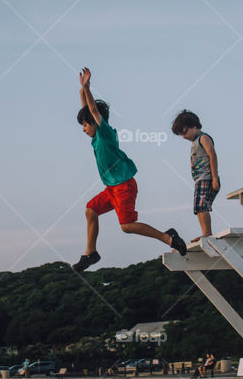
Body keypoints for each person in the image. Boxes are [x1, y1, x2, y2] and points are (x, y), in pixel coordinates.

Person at [73, 67, 187, 271]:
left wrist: (87, 89)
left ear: (94, 122)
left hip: (124, 186)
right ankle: (91, 253)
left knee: (126, 226)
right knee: (91, 210)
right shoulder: (96, 136)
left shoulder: (105, 132)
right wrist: (82, 90)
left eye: (84, 125)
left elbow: (92, 111)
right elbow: (87, 110)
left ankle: (168, 238)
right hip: (111, 188)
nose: (83, 129)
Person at [171, 110, 220, 240]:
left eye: (184, 132)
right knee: (198, 207)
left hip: (207, 178)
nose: (183, 136)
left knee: (202, 205)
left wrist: (215, 178)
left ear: (194, 126)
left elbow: (212, 155)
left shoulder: (203, 138)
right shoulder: (195, 142)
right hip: (200, 179)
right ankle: (205, 232)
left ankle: (207, 233)